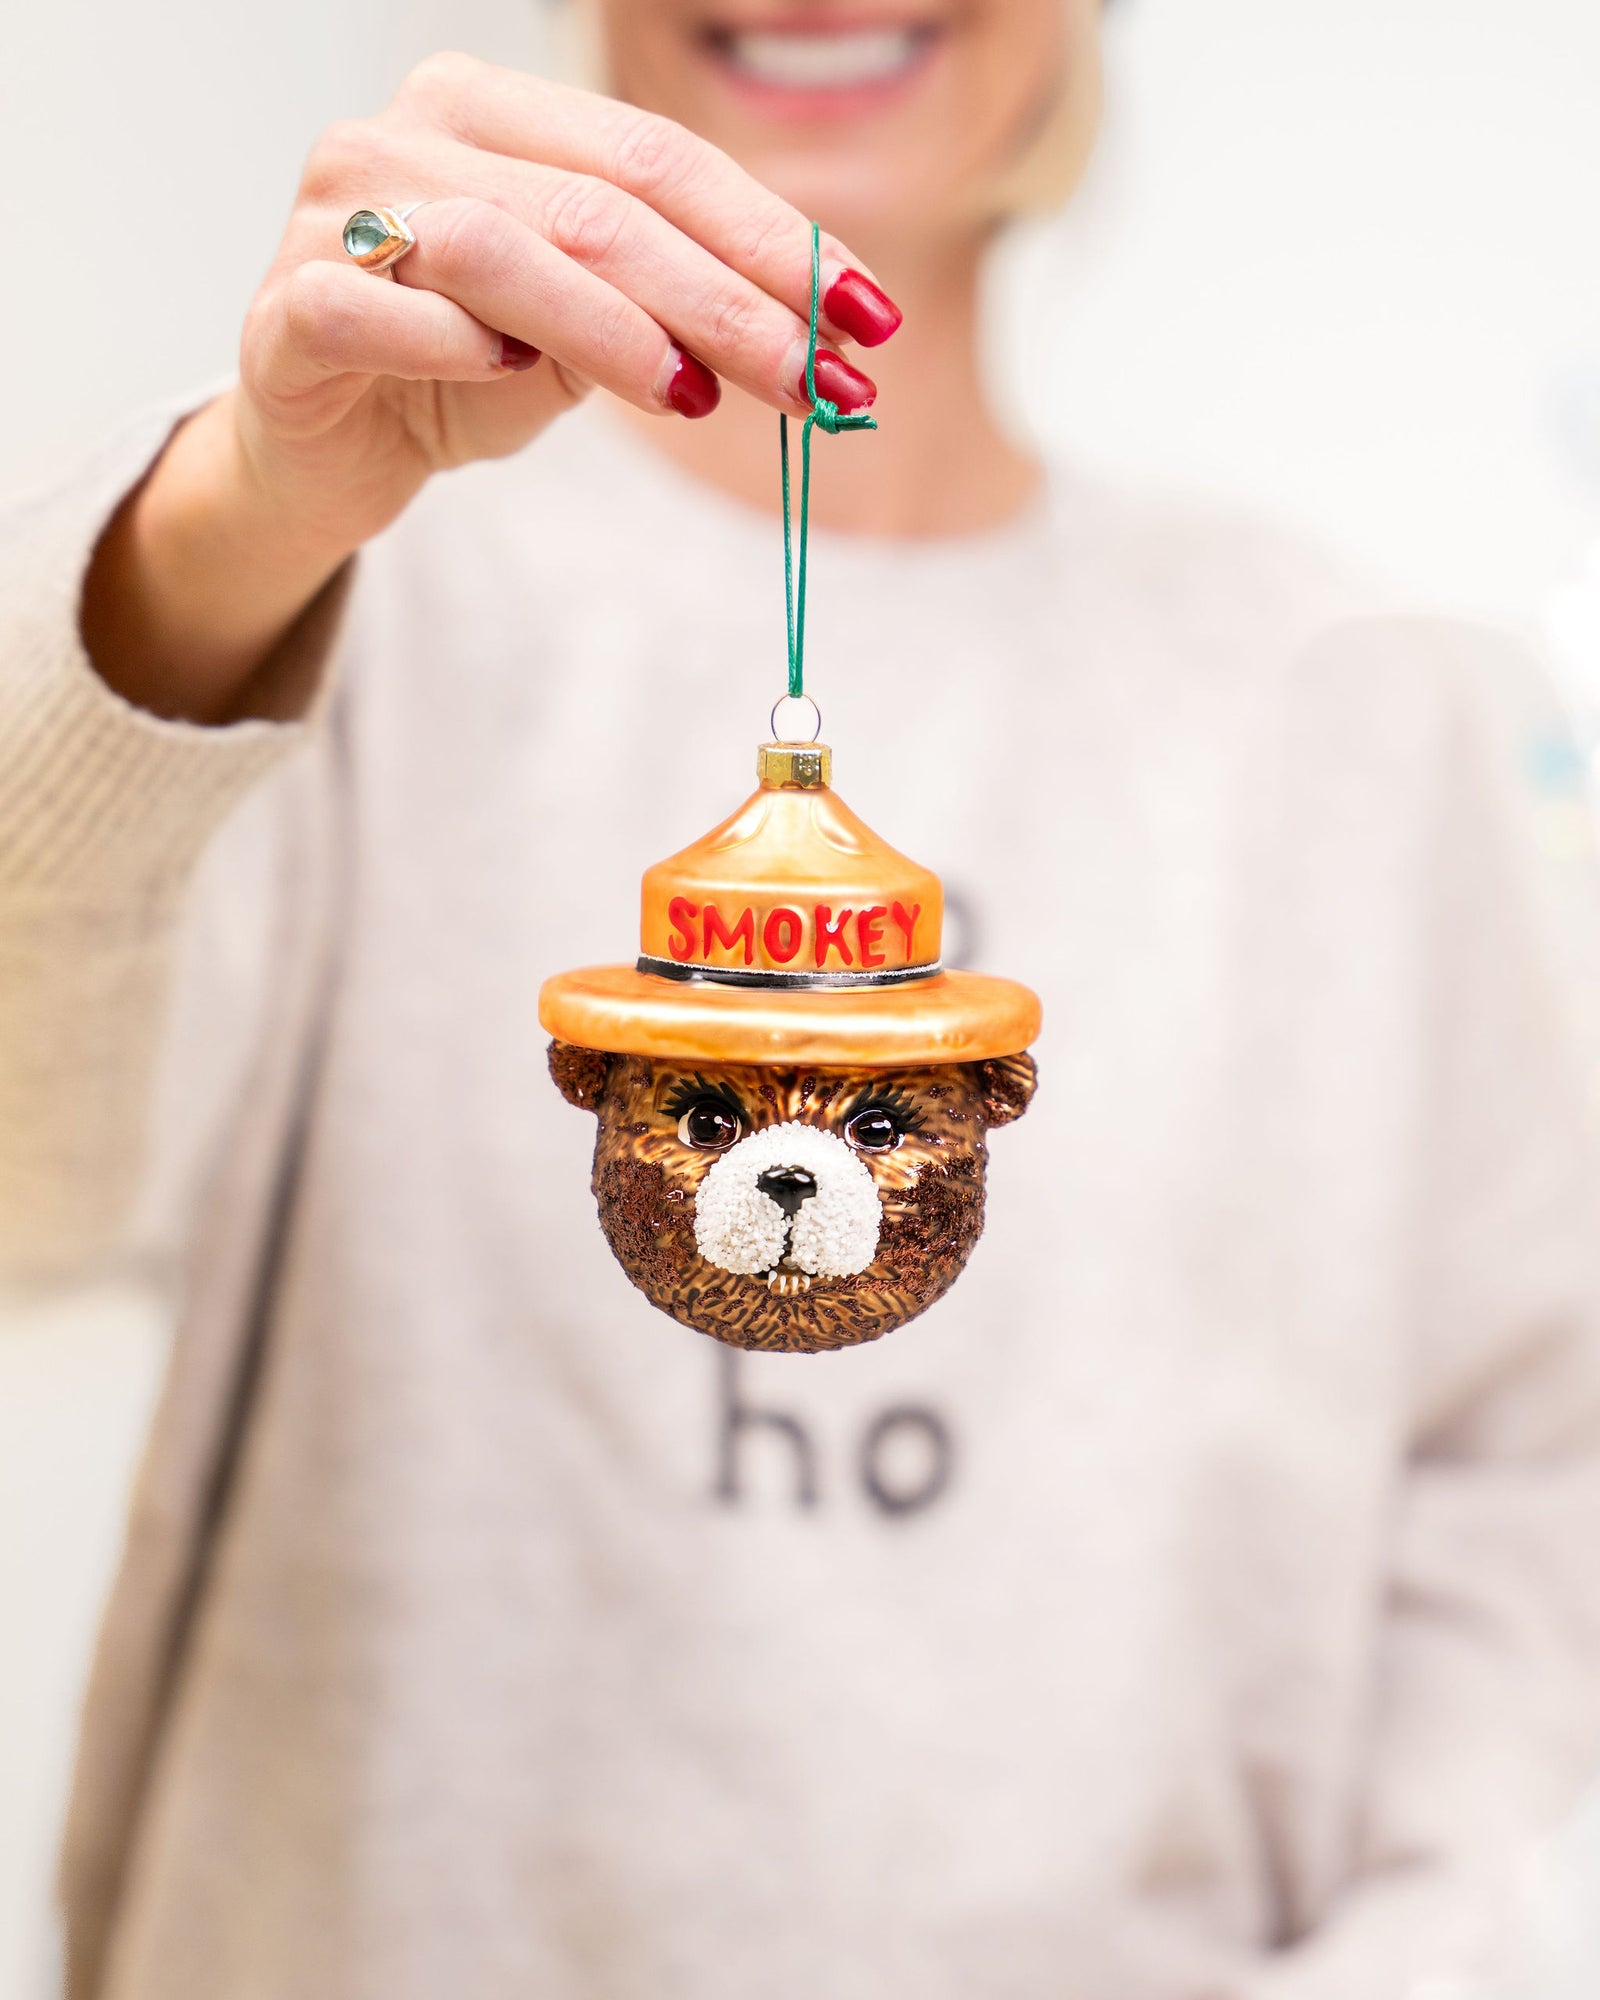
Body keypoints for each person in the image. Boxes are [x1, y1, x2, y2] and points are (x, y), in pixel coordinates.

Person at [4, 1, 1600, 1995]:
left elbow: (1523, 1492)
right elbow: (32, 1193)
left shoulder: (1364, 704)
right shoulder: (342, 590)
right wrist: (230, 529)